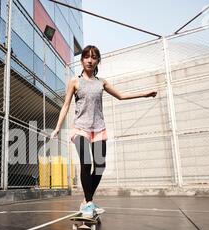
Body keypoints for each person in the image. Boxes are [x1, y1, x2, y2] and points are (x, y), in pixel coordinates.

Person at [51, 45, 157, 218]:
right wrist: (57, 127)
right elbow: (66, 105)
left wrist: (144, 94)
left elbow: (121, 96)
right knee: (86, 162)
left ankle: (87, 201)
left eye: (93, 57)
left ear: (98, 60)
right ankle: (88, 203)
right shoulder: (75, 81)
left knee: (100, 166)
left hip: (99, 128)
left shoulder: (102, 82)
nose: (90, 60)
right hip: (80, 128)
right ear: (82, 60)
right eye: (86, 57)